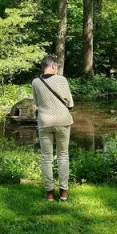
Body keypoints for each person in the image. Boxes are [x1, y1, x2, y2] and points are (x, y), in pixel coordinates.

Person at [32, 55, 74, 202]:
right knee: (63, 155)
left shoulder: (36, 82)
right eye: (57, 67)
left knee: (46, 157)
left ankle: (49, 193)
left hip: (45, 122)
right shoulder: (62, 80)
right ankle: (63, 192)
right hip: (63, 121)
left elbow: (36, 103)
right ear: (54, 66)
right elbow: (70, 102)